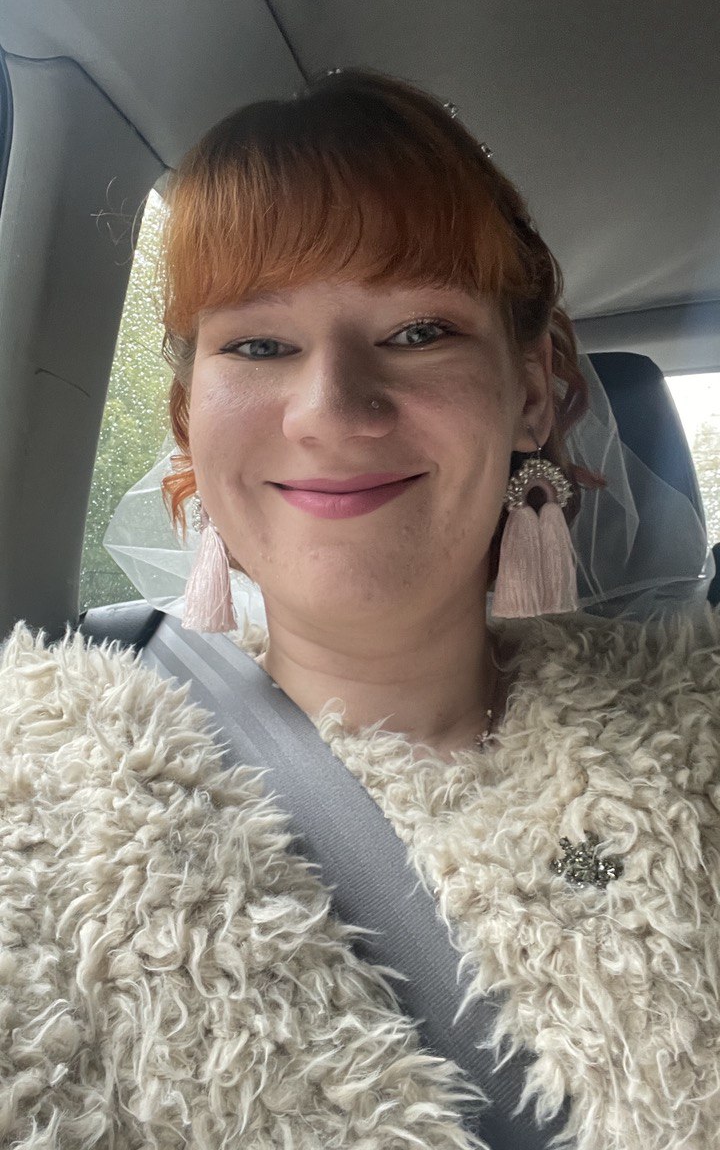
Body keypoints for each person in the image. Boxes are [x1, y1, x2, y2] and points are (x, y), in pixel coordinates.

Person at [1, 67, 718, 1150]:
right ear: (190, 416)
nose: (332, 408)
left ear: (531, 391)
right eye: (258, 344)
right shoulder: (36, 782)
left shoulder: (699, 733)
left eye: (419, 330)